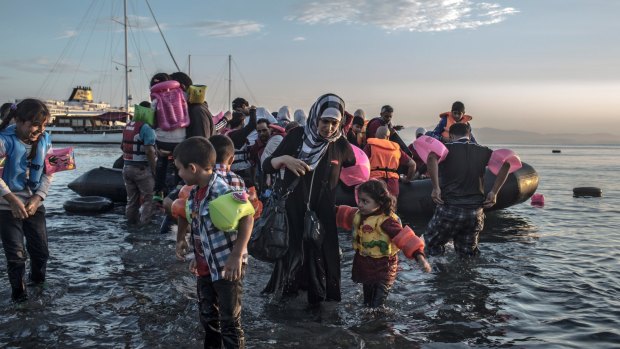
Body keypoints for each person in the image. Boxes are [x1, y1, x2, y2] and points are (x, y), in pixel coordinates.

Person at [262, 93, 355, 305]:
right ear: (316, 117)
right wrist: (284, 160)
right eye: (325, 121)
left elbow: (352, 163)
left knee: (324, 256)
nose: (329, 128)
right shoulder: (296, 136)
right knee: (293, 255)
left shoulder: (340, 144)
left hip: (323, 213)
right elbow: (267, 164)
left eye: (334, 123)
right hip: (293, 210)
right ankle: (287, 300)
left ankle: (321, 304)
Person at [173, 136, 253, 348]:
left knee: (229, 320)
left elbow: (247, 217)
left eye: (179, 169)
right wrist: (196, 255)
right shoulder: (195, 194)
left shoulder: (221, 190)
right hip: (206, 265)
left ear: (192, 168)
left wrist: (236, 255)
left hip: (227, 267)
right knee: (208, 315)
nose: (178, 174)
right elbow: (200, 227)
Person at [335, 180, 430, 307]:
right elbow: (340, 213)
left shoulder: (387, 222)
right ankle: (369, 321)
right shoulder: (358, 215)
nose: (360, 205)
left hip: (384, 269)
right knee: (367, 303)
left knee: (377, 306)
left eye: (365, 201)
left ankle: (380, 325)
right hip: (365, 267)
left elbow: (405, 239)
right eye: (360, 200)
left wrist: (420, 258)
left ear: (379, 203)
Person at [424, 123, 509, 257]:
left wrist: (436, 188)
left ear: (450, 136)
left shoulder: (447, 149)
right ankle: (468, 276)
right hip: (475, 213)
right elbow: (506, 164)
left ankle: (438, 274)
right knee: (468, 254)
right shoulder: (483, 150)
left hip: (450, 209)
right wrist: (494, 192)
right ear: (469, 134)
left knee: (431, 243)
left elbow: (431, 157)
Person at [0, 99, 52, 302]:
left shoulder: (45, 140)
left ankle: (39, 285)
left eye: (43, 125)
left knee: (40, 252)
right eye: (34, 124)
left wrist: (38, 198)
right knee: (16, 256)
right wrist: (11, 200)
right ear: (18, 121)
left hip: (33, 204)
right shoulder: (3, 141)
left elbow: (49, 173)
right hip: (5, 207)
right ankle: (19, 298)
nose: (39, 129)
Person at [120, 106, 157, 225]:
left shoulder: (128, 126)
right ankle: (144, 225)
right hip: (141, 169)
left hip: (126, 168)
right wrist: (154, 169)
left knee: (132, 200)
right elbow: (149, 151)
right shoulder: (146, 128)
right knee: (149, 199)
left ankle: (130, 223)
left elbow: (122, 146)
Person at [364, 126, 416, 197]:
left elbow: (362, 164)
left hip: (374, 185)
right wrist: (407, 179)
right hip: (393, 186)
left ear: (375, 135)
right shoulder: (396, 149)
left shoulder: (369, 146)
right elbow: (413, 164)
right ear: (388, 137)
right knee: (391, 207)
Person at [169, 72, 215, 139]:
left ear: (182, 87)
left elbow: (201, 144)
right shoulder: (188, 109)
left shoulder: (197, 111)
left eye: (170, 90)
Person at [228, 98, 258, 187]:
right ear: (241, 123)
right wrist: (253, 110)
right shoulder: (237, 135)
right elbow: (252, 125)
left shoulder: (228, 134)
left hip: (233, 170)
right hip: (241, 171)